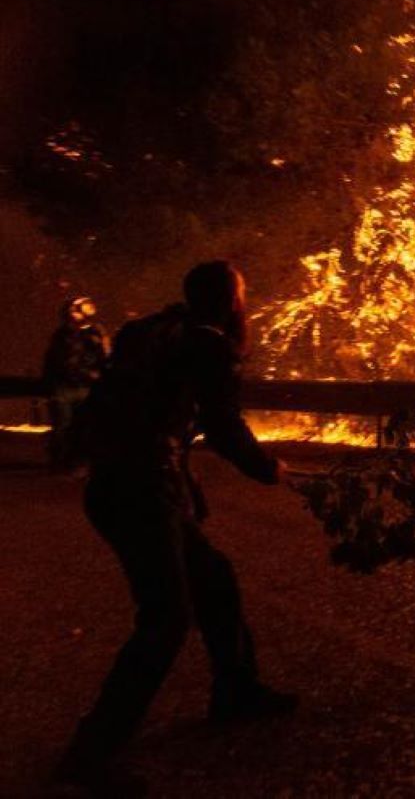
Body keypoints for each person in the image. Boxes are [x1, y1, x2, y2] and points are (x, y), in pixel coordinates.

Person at [54, 262, 295, 794]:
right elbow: (225, 426)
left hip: (125, 486)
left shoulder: (157, 332)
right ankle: (90, 752)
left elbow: (155, 419)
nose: (244, 302)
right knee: (166, 617)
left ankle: (237, 690)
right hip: (140, 492)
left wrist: (184, 486)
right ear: (230, 301)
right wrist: (267, 469)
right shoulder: (208, 346)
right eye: (242, 293)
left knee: (215, 578)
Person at [41, 296, 110, 468]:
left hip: (87, 387)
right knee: (63, 424)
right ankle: (62, 458)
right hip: (66, 387)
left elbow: (106, 357)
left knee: (85, 425)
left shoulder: (96, 333)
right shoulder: (63, 335)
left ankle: (78, 459)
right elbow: (58, 361)